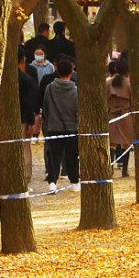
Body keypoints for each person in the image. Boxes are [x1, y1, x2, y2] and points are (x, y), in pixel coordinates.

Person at [41, 60, 79, 190]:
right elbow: (77, 111)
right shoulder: (75, 91)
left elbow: (45, 108)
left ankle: (52, 181)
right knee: (72, 156)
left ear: (57, 70)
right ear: (71, 72)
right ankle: (74, 181)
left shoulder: (50, 88)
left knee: (54, 156)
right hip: (72, 129)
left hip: (54, 127)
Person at [107, 59, 135, 177]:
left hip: (112, 115)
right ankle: (124, 170)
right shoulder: (129, 83)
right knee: (126, 143)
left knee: (112, 143)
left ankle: (111, 168)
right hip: (126, 115)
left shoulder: (108, 82)